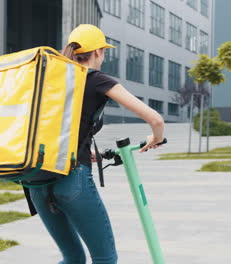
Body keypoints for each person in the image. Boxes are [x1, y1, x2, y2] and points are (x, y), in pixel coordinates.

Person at [28, 24, 165, 264]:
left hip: (36, 183)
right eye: (103, 52)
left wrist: (86, 151)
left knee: (72, 259)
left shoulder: (53, 79)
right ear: (98, 52)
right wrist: (156, 137)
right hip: (72, 181)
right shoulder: (97, 80)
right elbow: (155, 119)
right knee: (105, 258)